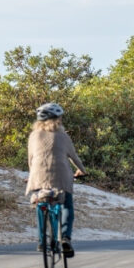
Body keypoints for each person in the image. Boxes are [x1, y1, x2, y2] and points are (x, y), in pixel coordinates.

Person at [25, 102, 86, 257]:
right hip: (61, 176)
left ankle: (41, 240)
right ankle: (65, 237)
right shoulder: (63, 136)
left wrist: (32, 175)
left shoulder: (33, 136)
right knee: (67, 204)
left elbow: (31, 159)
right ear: (57, 119)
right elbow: (74, 157)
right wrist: (82, 171)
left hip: (38, 175)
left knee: (41, 203)